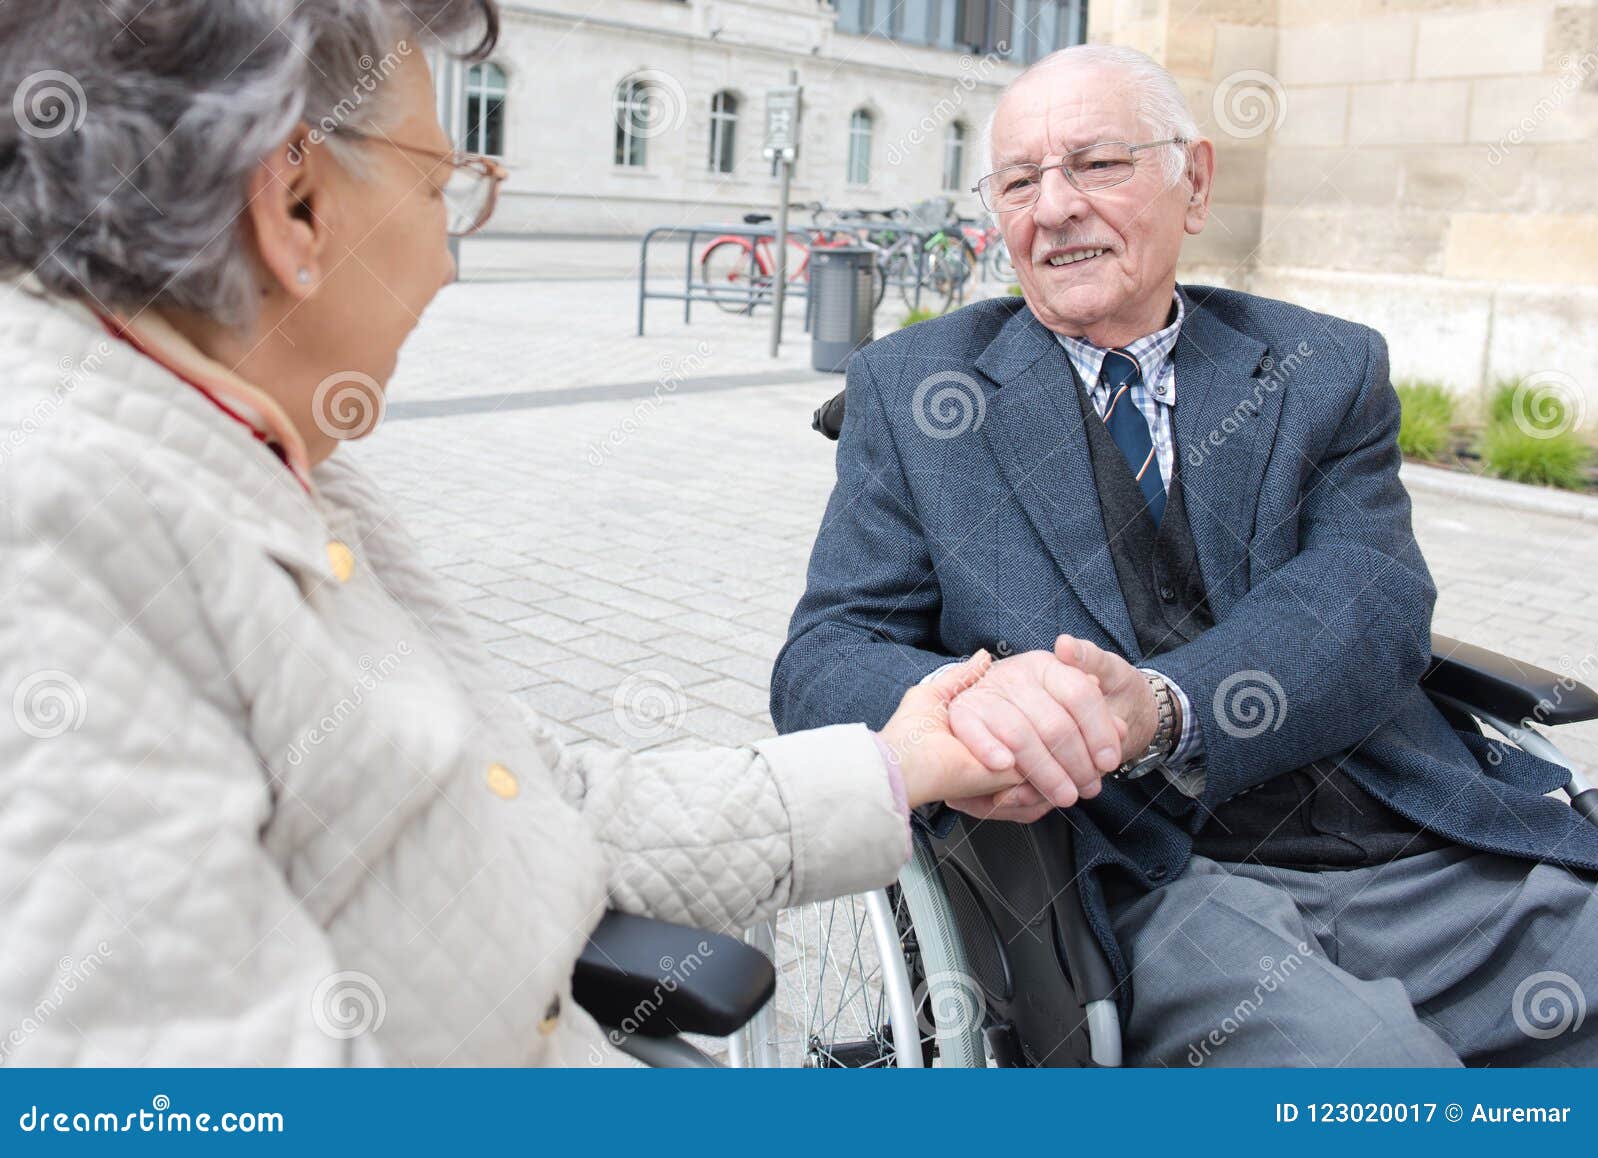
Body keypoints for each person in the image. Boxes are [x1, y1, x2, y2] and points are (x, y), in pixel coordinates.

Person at [0, 0, 1090, 1065]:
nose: (445, 257)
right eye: (444, 186)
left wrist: (894, 767)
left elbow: (539, 799)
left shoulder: (280, 462)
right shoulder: (55, 528)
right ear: (292, 204)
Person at [771, 44, 1598, 1066]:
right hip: (1131, 878)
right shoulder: (914, 392)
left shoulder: (1320, 367)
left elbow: (1369, 595)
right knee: (1362, 1080)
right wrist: (959, 701)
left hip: (1390, 826)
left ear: (1192, 182)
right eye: (1019, 182)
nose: (1055, 207)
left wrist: (1160, 706)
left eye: (1096, 165)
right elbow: (825, 657)